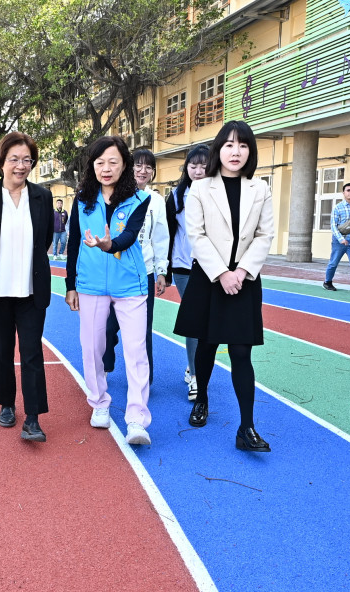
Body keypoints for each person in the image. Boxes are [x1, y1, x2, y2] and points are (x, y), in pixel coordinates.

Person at [175, 121, 275, 452]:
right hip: (209, 278)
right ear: (219, 149)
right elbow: (196, 235)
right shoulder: (201, 188)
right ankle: (201, 398)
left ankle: (246, 428)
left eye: (243, 145)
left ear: (251, 151)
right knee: (206, 345)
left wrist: (242, 270)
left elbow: (264, 235)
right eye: (229, 145)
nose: (236, 151)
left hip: (244, 281)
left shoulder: (260, 188)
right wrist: (221, 273)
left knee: (241, 352)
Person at [0, 131, 54, 442]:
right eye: (14, 159)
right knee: (1, 353)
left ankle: (32, 417)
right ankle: (6, 404)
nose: (20, 165)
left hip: (31, 291)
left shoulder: (42, 197)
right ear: (1, 161)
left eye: (26, 160)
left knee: (31, 354)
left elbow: (44, 240)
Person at [65, 136, 153, 446]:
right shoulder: (82, 200)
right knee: (91, 347)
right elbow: (74, 243)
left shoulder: (140, 200)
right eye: (100, 162)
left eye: (113, 162)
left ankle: (136, 418)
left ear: (124, 165)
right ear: (92, 166)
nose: (106, 168)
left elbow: (129, 235)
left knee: (135, 351)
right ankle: (99, 402)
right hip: (89, 284)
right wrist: (70, 285)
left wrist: (109, 245)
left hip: (130, 285)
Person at [102, 148, 168, 382]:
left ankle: (144, 378)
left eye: (148, 167)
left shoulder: (157, 201)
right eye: (138, 165)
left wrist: (161, 271)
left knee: (143, 329)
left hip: (144, 273)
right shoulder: (115, 194)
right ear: (129, 167)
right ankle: (106, 361)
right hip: (115, 270)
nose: (143, 170)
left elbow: (160, 237)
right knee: (108, 326)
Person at [165, 145, 210, 401]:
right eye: (193, 165)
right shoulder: (176, 195)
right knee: (194, 319)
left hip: (211, 267)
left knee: (206, 321)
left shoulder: (219, 192)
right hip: (184, 266)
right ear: (186, 167)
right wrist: (167, 271)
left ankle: (193, 365)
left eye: (203, 165)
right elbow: (170, 234)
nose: (198, 170)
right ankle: (195, 375)